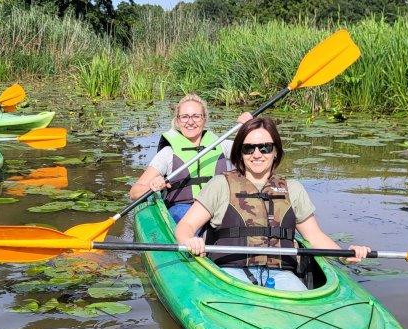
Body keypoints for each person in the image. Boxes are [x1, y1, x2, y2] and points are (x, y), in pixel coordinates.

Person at [175, 117, 371, 292]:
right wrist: (190, 240)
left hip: (281, 274)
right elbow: (186, 226)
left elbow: (314, 236)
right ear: (240, 153)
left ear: (275, 151)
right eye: (248, 148)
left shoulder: (293, 189)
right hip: (229, 274)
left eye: (265, 147)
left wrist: (345, 255)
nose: (257, 154)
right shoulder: (220, 185)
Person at [129, 94, 251, 223]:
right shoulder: (168, 153)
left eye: (196, 116)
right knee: (188, 220)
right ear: (177, 120)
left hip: (219, 206)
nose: (190, 122)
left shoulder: (222, 145)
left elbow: (256, 157)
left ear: (204, 119)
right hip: (183, 209)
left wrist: (246, 129)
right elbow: (134, 192)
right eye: (185, 117)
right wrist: (152, 185)